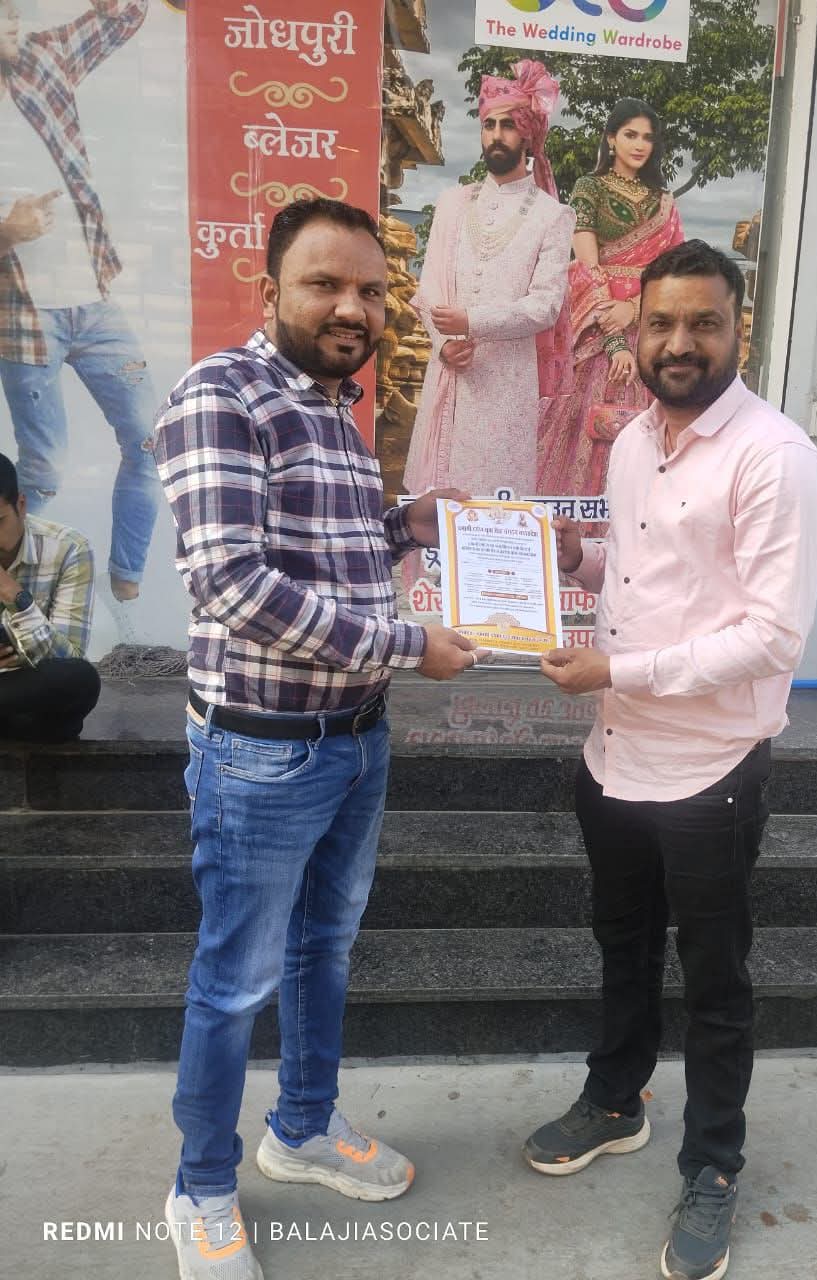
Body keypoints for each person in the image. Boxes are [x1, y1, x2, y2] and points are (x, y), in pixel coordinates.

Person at [153, 197, 483, 1280]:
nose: (353, 308)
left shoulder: (336, 408)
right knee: (235, 979)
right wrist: (407, 644)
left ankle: (300, 1127)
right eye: (325, 284)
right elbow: (234, 585)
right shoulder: (222, 394)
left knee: (322, 950)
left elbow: (327, 547)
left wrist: (408, 522)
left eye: (372, 291)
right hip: (261, 748)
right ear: (270, 291)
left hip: (354, 737)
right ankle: (201, 1185)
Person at [525, 241, 817, 1280]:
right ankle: (616, 1099)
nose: (678, 342)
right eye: (660, 322)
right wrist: (576, 558)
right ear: (638, 331)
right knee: (620, 947)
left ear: (740, 329)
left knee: (714, 982)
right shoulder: (630, 442)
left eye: (703, 322)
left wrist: (617, 666)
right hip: (614, 754)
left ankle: (713, 1165)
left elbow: (771, 637)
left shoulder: (776, 457)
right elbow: (645, 563)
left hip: (710, 769)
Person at [0, 0, 159, 628]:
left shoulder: (43, 58)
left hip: (93, 302)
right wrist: (6, 232)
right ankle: (11, 592)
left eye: (13, 10)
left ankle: (126, 588)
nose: (12, 19)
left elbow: (124, 15)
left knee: (150, 441)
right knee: (44, 471)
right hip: (22, 319)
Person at [403, 59, 575, 499]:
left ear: (528, 135)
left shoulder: (553, 216)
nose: (496, 135)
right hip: (450, 375)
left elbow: (545, 306)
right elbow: (429, 289)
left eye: (508, 125)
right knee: (435, 509)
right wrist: (444, 345)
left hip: (506, 388)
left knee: (495, 504)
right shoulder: (453, 203)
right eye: (489, 125)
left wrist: (471, 321)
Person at [536, 99, 684, 498]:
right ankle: (577, 526)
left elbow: (675, 274)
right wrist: (616, 340)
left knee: (645, 432)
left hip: (650, 328)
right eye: (630, 135)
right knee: (586, 427)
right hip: (598, 331)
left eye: (647, 138)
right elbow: (587, 269)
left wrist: (634, 310)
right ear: (611, 139)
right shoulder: (590, 188)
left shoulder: (663, 202)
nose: (639, 145)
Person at [0, 450, 99, 741]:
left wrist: (16, 597)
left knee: (80, 679)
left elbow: (67, 659)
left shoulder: (69, 548)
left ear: (21, 505)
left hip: (28, 691)